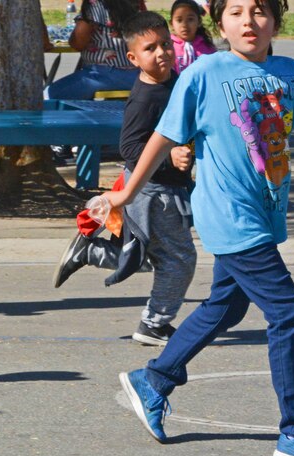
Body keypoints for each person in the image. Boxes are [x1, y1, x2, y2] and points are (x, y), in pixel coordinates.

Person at [109, 0, 294, 456]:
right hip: (227, 214)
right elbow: (162, 137)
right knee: (287, 310)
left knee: (228, 303)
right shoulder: (205, 71)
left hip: (264, 213)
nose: (249, 22)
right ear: (220, 23)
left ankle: (155, 378)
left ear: (276, 21)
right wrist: (125, 195)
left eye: (260, 11)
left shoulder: (289, 73)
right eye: (236, 12)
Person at [53, 11, 197, 347]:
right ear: (132, 58)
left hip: (163, 189)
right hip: (154, 191)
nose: (161, 52)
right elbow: (130, 148)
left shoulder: (170, 82)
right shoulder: (145, 99)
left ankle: (90, 252)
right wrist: (170, 156)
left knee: (152, 256)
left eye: (165, 44)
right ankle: (154, 325)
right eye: (150, 48)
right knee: (178, 260)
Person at [46, 0, 145, 100]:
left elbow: (78, 42)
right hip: (136, 74)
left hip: (104, 74)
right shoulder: (134, 3)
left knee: (48, 95)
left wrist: (72, 38)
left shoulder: (94, 4)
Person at [170, 0, 216, 74]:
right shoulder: (169, 47)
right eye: (179, 20)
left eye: (190, 19)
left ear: (199, 22)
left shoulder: (208, 48)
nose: (184, 25)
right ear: (171, 23)